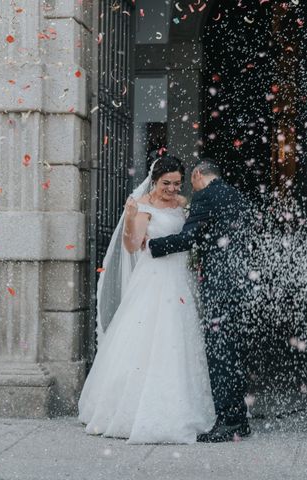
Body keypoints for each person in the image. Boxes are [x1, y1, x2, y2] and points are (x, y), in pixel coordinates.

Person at [78, 155, 216, 444]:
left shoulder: (182, 204)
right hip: (153, 278)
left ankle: (180, 408)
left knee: (179, 339)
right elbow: (131, 246)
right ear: (155, 180)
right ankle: (134, 409)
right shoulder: (144, 206)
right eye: (167, 183)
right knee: (146, 336)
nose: (172, 189)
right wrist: (130, 217)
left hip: (179, 279)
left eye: (178, 183)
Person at [148, 159, 253, 443]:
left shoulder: (205, 196)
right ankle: (239, 419)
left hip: (220, 284)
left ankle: (229, 420)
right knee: (231, 351)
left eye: (188, 181)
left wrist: (153, 246)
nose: (186, 188)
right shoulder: (235, 194)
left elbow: (188, 239)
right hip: (239, 282)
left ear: (197, 175)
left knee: (220, 355)